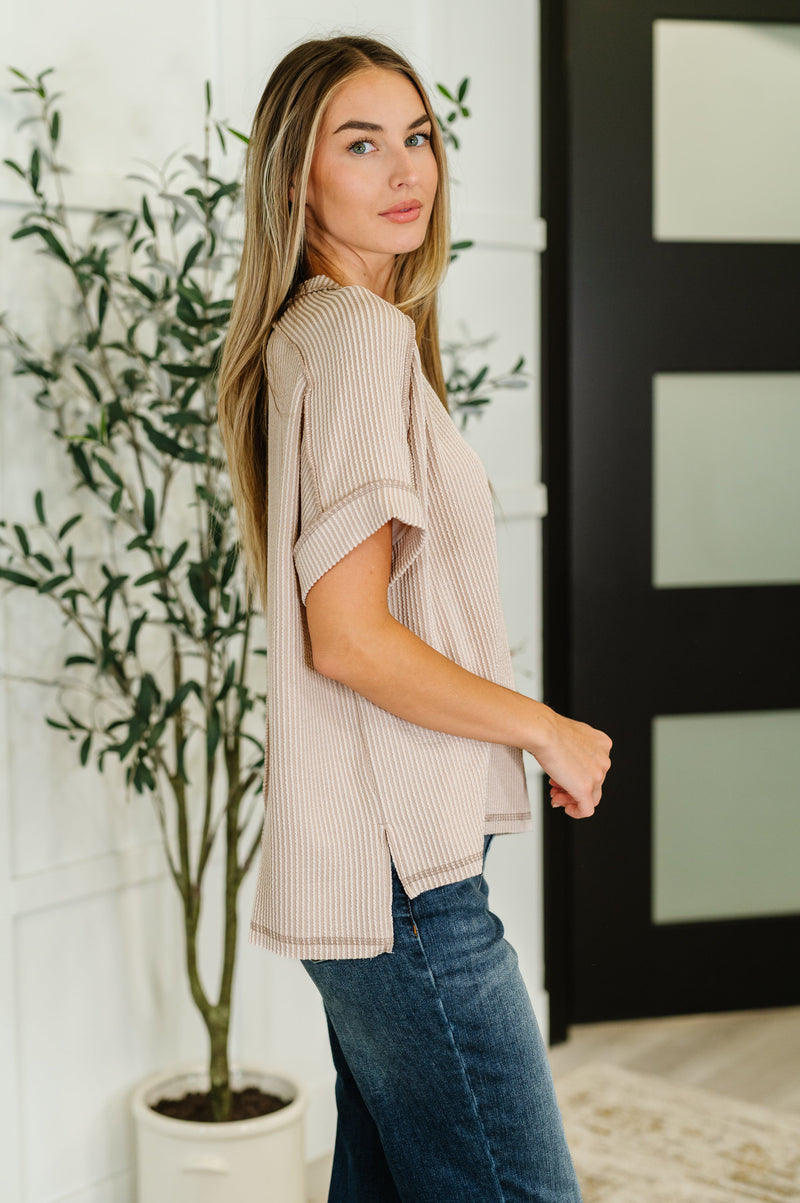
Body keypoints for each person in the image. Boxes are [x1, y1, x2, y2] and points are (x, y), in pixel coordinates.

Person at [218, 33, 611, 1203]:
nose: (405, 171)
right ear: (295, 178)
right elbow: (347, 636)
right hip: (404, 889)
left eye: (418, 137)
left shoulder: (312, 331)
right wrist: (543, 726)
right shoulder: (354, 338)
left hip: (374, 872)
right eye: (360, 144)